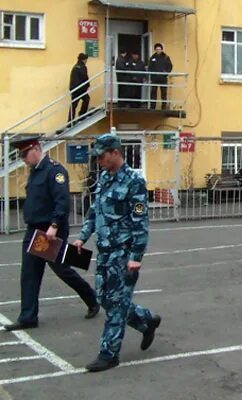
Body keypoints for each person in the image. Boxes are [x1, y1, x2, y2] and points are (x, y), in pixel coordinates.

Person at [74, 133, 161, 372]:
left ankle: (108, 353)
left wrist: (136, 258)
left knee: (117, 304)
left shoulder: (134, 181)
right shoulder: (104, 178)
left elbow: (140, 222)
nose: (99, 160)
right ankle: (147, 320)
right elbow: (95, 211)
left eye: (102, 155)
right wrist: (82, 237)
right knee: (104, 299)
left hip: (123, 253)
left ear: (115, 152)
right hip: (104, 252)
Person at [2, 137, 99, 331]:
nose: (23, 159)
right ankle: (28, 317)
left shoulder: (55, 170)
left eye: (25, 154)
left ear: (36, 149)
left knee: (63, 270)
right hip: (34, 230)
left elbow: (62, 201)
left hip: (49, 230)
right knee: (29, 273)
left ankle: (92, 299)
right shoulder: (35, 171)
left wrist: (54, 225)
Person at [148, 43, 173, 110]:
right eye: (157, 49)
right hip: (154, 78)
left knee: (164, 92)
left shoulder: (166, 57)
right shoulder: (152, 58)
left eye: (159, 49)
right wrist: (151, 75)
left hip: (163, 78)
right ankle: (152, 107)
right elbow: (149, 67)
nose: (158, 50)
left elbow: (170, 66)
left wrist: (166, 73)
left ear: (161, 49)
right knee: (153, 92)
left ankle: (164, 106)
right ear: (155, 50)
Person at [68, 53, 90, 125]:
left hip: (74, 88)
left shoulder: (75, 66)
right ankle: (81, 115)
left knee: (73, 105)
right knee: (87, 99)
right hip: (80, 89)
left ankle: (70, 121)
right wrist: (87, 85)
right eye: (86, 59)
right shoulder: (82, 67)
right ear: (84, 59)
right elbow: (85, 77)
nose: (86, 61)